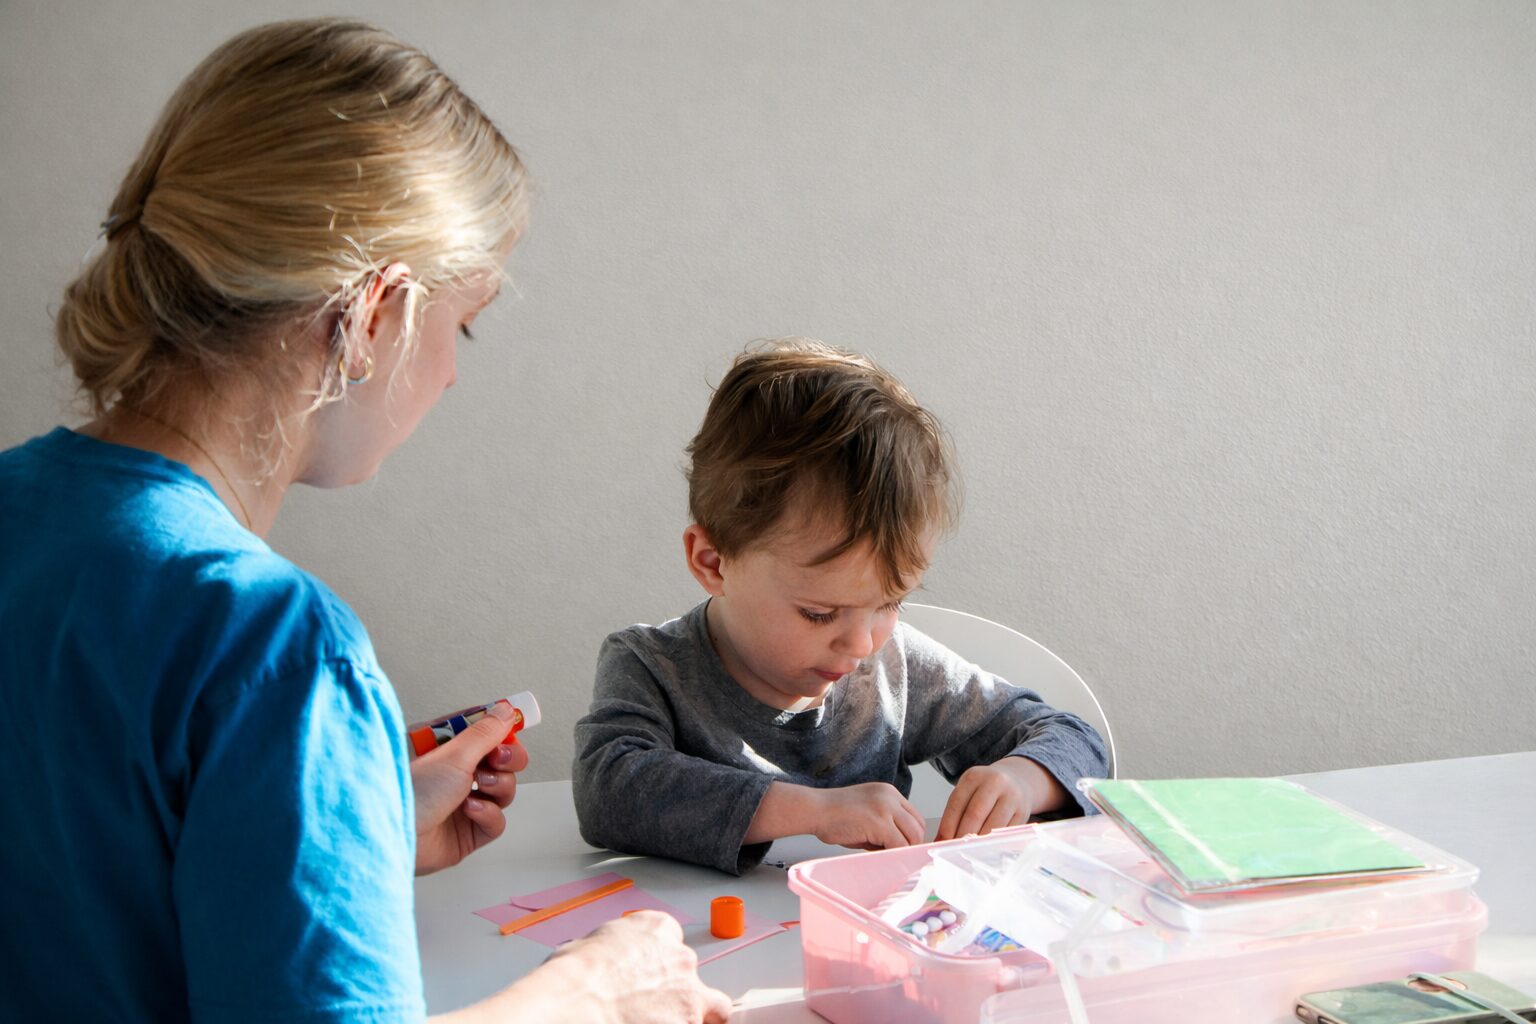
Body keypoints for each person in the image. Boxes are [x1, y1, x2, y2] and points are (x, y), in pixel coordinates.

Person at [0, 18, 729, 1024]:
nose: (453, 371)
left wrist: (354, 831)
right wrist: (599, 992)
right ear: (372, 313)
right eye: (458, 322)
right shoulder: (270, 645)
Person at [573, 339, 1109, 875]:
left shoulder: (897, 669)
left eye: (889, 603)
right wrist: (814, 811)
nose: (861, 644)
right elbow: (609, 790)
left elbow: (1076, 741)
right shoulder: (649, 666)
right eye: (819, 613)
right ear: (714, 563)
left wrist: (1020, 776)